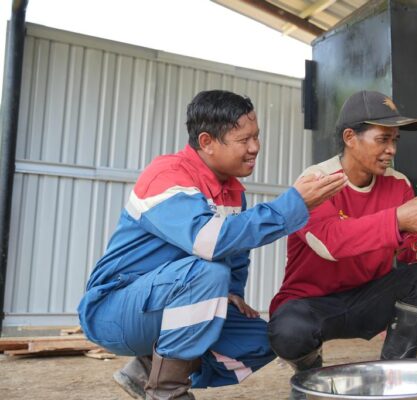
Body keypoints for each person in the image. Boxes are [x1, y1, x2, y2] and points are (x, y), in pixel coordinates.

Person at [77, 90, 347, 400]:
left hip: (167, 300)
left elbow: (236, 255)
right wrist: (292, 205)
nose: (255, 147)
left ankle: (148, 369)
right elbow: (211, 242)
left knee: (265, 341)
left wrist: (232, 292)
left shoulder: (232, 192)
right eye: (244, 140)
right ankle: (167, 393)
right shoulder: (166, 176)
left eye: (256, 136)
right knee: (208, 272)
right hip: (114, 310)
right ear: (206, 142)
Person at [267, 90, 417, 390]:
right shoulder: (315, 181)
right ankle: (308, 374)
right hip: (312, 304)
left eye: (395, 140)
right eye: (382, 139)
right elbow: (330, 242)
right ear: (350, 137)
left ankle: (393, 379)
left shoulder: (398, 184)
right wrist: (397, 219)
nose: (391, 150)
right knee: (289, 332)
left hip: (367, 300)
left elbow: (409, 255)